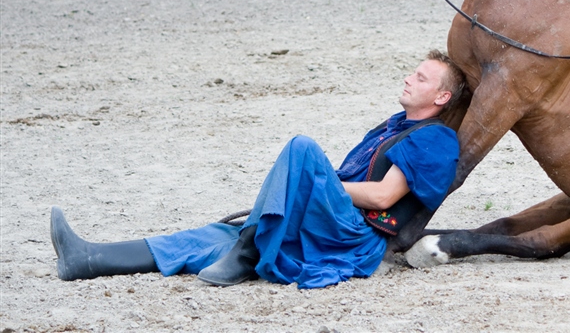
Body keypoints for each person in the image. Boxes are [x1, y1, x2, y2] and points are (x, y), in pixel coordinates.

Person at [51, 50, 467, 289]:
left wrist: (313, 186)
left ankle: (248, 253)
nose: (408, 78)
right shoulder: (392, 127)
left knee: (302, 149)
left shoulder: (435, 139)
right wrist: (304, 192)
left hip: (355, 237)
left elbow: (382, 198)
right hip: (331, 221)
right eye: (413, 72)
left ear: (442, 96)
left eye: (421, 77)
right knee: (210, 237)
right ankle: (88, 258)